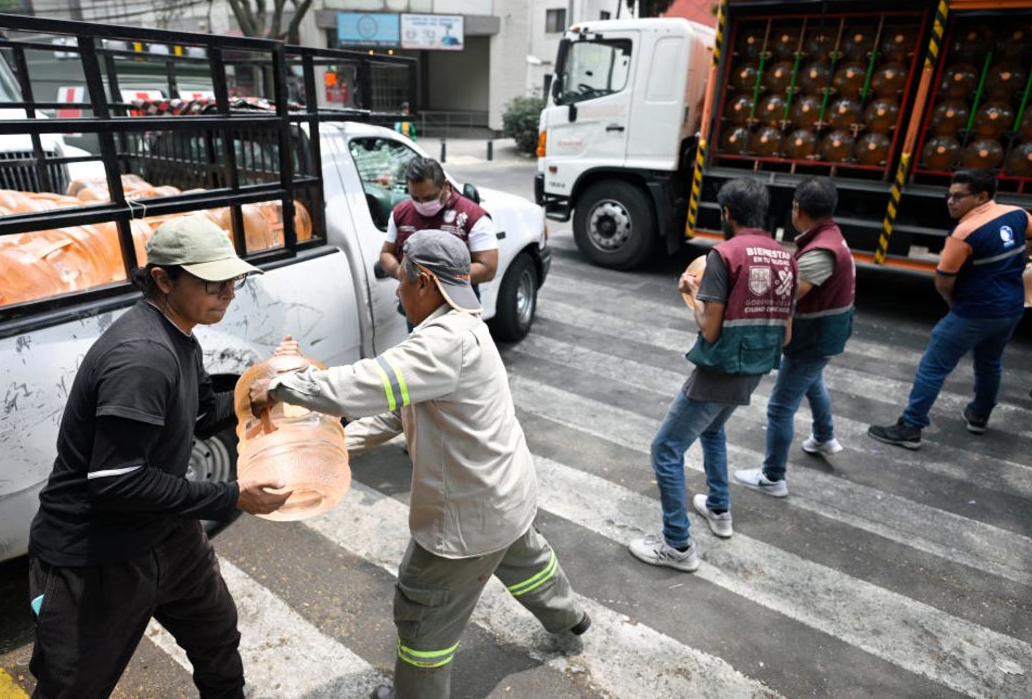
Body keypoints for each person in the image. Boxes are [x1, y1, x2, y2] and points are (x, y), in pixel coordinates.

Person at [249, 230, 589, 699]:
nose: (397, 290)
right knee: (526, 561)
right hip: (507, 493)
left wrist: (287, 386)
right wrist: (333, 449)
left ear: (425, 281)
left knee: (422, 612)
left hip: (469, 515)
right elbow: (396, 412)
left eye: (401, 280)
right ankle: (571, 618)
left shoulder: (440, 344)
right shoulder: (465, 326)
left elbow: (360, 386)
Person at [26, 215, 291, 697]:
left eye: (233, 280)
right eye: (213, 283)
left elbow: (193, 415)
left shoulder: (181, 332)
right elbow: (116, 480)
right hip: (97, 554)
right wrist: (233, 495)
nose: (228, 293)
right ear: (163, 279)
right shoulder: (142, 356)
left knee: (217, 639)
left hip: (169, 533)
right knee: (72, 687)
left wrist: (250, 400)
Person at [628, 179, 796, 572]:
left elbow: (710, 329)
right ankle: (719, 508)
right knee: (712, 430)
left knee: (665, 450)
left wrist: (689, 291)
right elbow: (786, 333)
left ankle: (677, 546)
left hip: (719, 370)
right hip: (756, 367)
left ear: (727, 214)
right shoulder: (785, 257)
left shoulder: (724, 255)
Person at [869, 169, 1032, 449]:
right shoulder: (1018, 214)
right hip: (1011, 309)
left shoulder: (963, 233)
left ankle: (911, 427)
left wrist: (954, 304)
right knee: (990, 362)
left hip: (974, 311)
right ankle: (979, 415)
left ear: (982, 196)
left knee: (933, 366)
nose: (950, 202)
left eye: (958, 196)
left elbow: (943, 280)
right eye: (948, 196)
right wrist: (1024, 254)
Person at [735, 177, 855, 497]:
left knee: (780, 408)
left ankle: (773, 477)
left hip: (813, 337)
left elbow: (788, 295)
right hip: (822, 336)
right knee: (814, 383)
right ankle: (824, 437)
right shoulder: (829, 235)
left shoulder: (820, 252)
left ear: (797, 208)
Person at [379, 156, 498, 303]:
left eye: (429, 198)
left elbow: (488, 269)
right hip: (416, 306)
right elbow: (386, 254)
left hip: (458, 306)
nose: (422, 203)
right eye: (415, 197)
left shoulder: (473, 216)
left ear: (446, 186)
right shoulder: (401, 213)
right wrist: (402, 273)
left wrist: (439, 278)